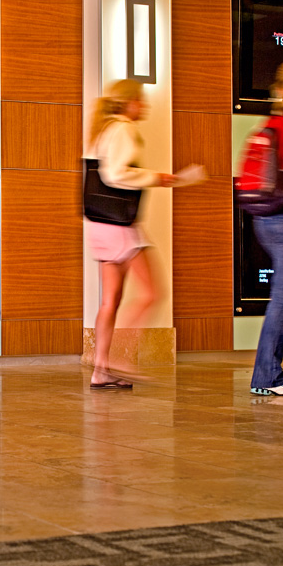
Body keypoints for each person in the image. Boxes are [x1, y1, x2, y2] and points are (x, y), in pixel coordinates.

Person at [86, 79, 175, 389]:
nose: (145, 105)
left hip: (100, 224)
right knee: (152, 292)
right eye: (140, 100)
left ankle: (101, 369)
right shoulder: (122, 128)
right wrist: (157, 177)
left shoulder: (103, 129)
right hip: (121, 226)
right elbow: (116, 174)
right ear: (129, 103)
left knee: (111, 300)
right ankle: (121, 358)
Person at [250, 64, 283, 396]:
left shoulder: (270, 124)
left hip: (265, 218)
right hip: (281, 220)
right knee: (282, 298)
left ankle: (269, 374)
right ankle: (267, 377)